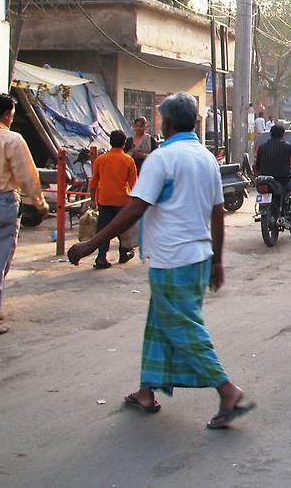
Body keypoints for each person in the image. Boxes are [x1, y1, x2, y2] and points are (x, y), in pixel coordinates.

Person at [68, 92, 255, 429]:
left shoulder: (161, 158)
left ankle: (226, 389)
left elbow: (135, 208)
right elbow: (217, 214)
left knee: (183, 327)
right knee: (160, 322)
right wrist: (217, 260)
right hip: (198, 257)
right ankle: (146, 390)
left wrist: (91, 243)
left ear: (166, 124)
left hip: (172, 258)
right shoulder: (206, 158)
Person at [0, 92, 48, 337]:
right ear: (7, 114)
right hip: (1, 202)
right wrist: (39, 203)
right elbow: (27, 176)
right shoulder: (12, 140)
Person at [90, 130, 138, 269]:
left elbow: (93, 182)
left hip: (104, 199)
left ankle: (101, 258)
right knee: (123, 229)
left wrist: (93, 200)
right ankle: (123, 254)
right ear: (124, 144)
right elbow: (134, 183)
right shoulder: (128, 160)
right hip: (122, 200)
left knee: (104, 230)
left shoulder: (101, 159)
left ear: (110, 142)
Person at [255, 123, 291, 226]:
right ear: (282, 135)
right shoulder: (287, 147)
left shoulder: (262, 147)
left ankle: (262, 209)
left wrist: (258, 173)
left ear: (271, 134)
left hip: (264, 180)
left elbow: (257, 165)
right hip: (283, 180)